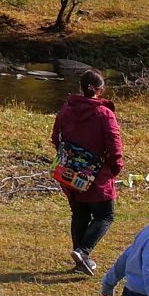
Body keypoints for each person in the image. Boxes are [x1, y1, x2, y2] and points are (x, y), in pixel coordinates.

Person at [51, 67, 123, 273]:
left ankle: (80, 260)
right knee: (105, 215)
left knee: (80, 214)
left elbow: (56, 139)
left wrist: (71, 160)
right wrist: (115, 168)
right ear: (100, 90)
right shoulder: (104, 113)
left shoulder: (66, 109)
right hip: (97, 175)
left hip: (69, 173)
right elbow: (114, 145)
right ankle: (83, 252)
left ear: (81, 87)